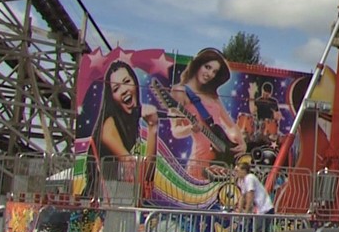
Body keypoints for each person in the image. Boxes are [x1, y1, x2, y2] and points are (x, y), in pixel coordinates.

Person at [83, 60, 159, 200]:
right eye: (116, 88)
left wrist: (153, 128)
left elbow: (148, 175)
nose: (124, 90)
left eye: (126, 81)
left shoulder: (128, 121)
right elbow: (136, 170)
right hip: (102, 199)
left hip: (116, 196)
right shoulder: (108, 126)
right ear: (111, 97)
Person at [170, 48, 246, 180]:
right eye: (207, 67)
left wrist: (241, 143)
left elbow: (230, 125)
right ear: (198, 64)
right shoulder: (180, 91)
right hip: (199, 164)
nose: (210, 73)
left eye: (214, 71)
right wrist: (190, 128)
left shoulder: (213, 96)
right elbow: (175, 131)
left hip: (221, 165)